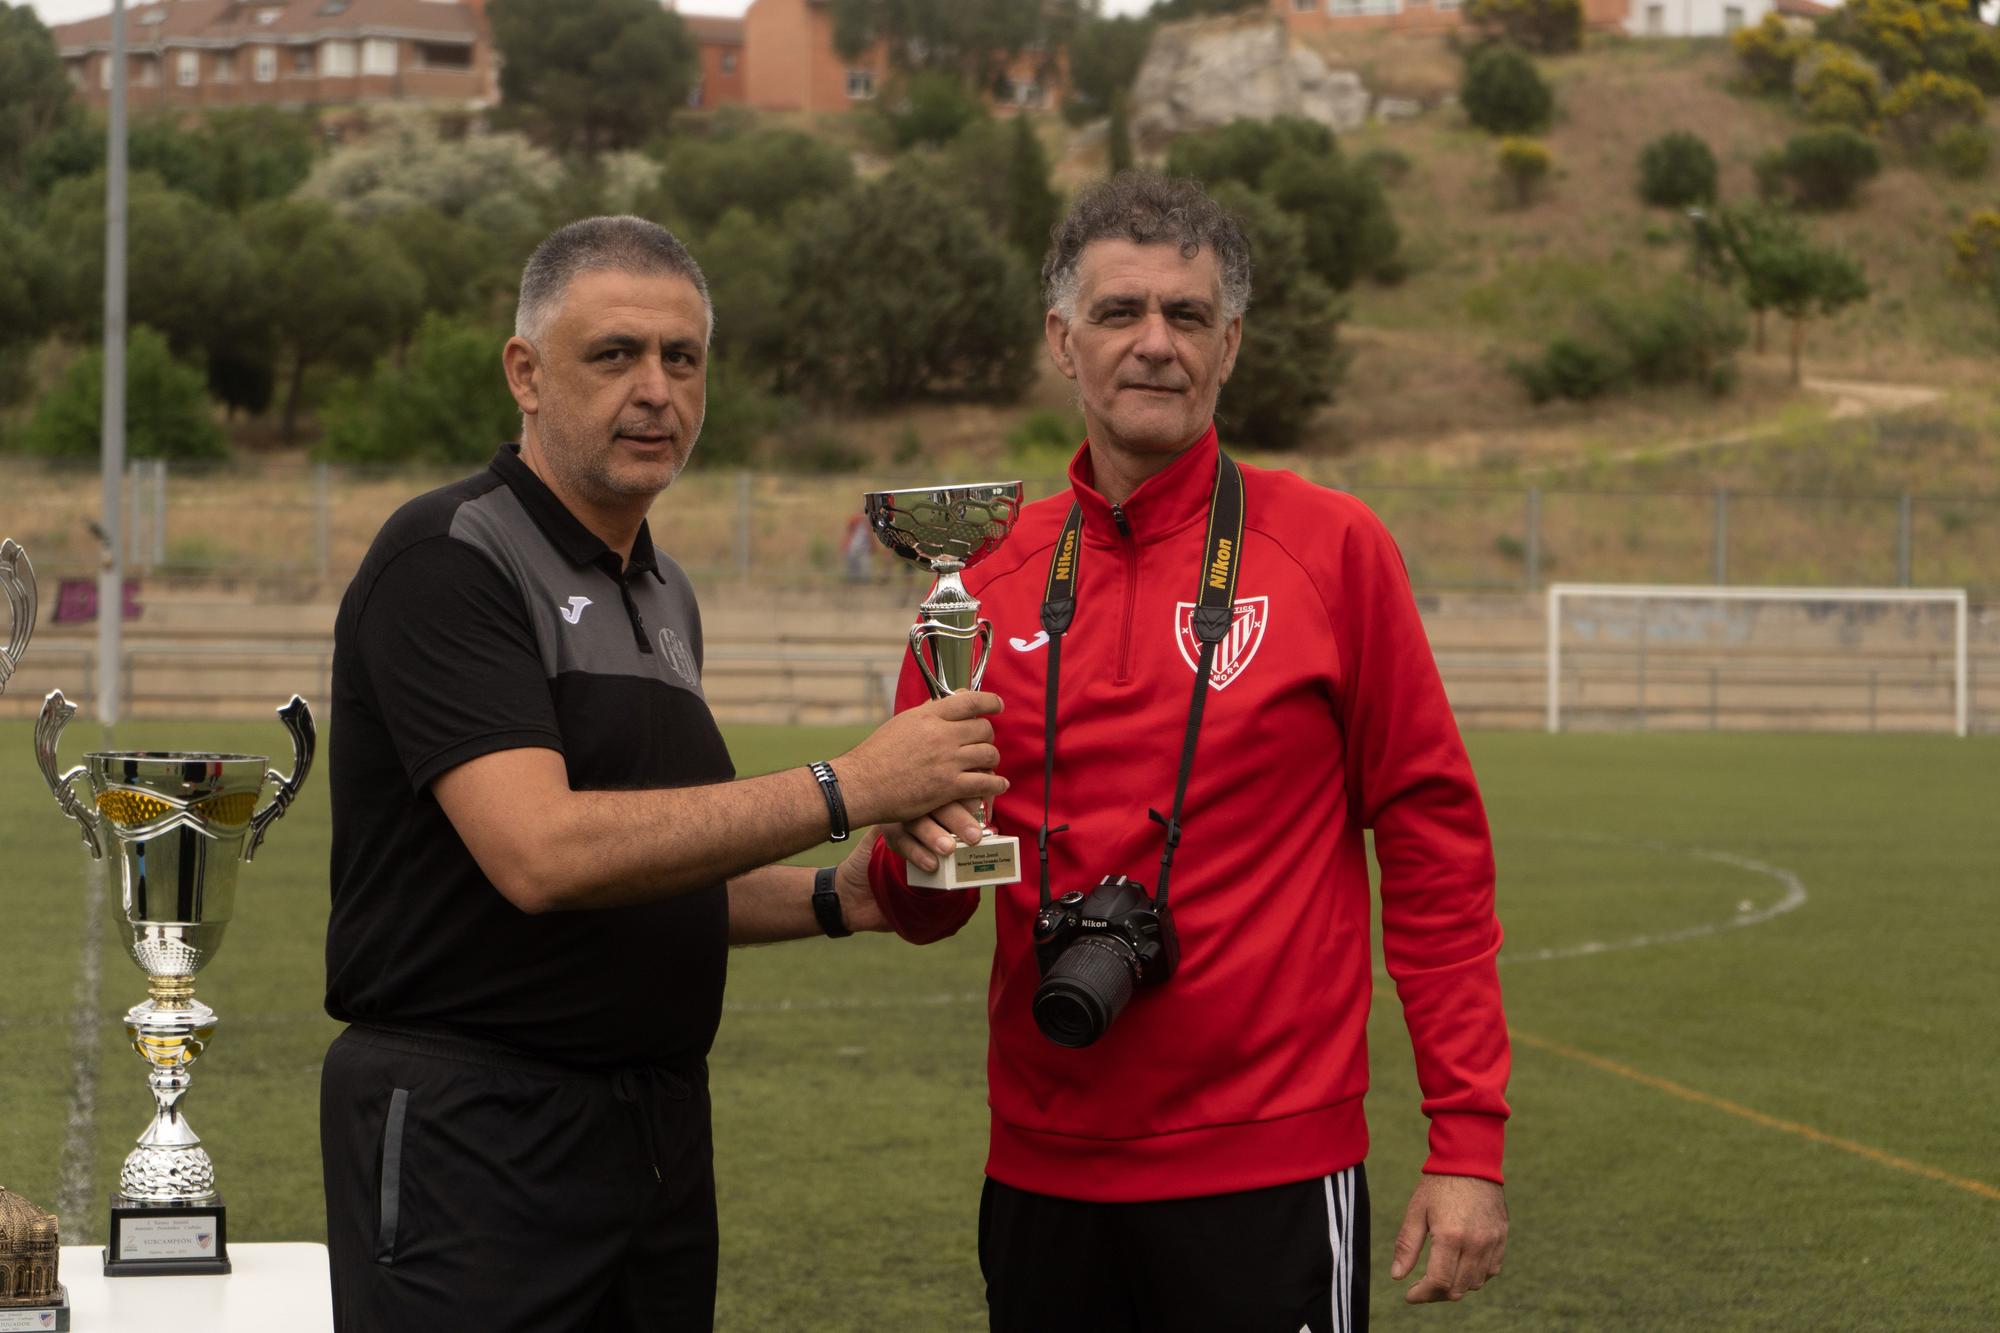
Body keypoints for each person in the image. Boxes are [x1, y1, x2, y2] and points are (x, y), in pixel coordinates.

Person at [319, 216, 1005, 1333]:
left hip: (652, 1133)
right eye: (615, 354)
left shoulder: (663, 590)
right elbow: (542, 853)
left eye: (681, 359)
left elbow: (651, 862)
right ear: (525, 373)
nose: (656, 390)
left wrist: (849, 896)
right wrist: (847, 787)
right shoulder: (449, 558)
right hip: (472, 1132)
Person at [870, 174, 1511, 1332]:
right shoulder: (975, 577)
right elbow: (926, 908)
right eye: (1119, 313)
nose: (1153, 344)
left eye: (1187, 316)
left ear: (1230, 346)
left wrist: (1467, 1139)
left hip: (1267, 1160)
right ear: (1063, 342)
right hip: (1041, 1166)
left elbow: (1433, 848)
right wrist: (908, 842)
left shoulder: (1330, 549)